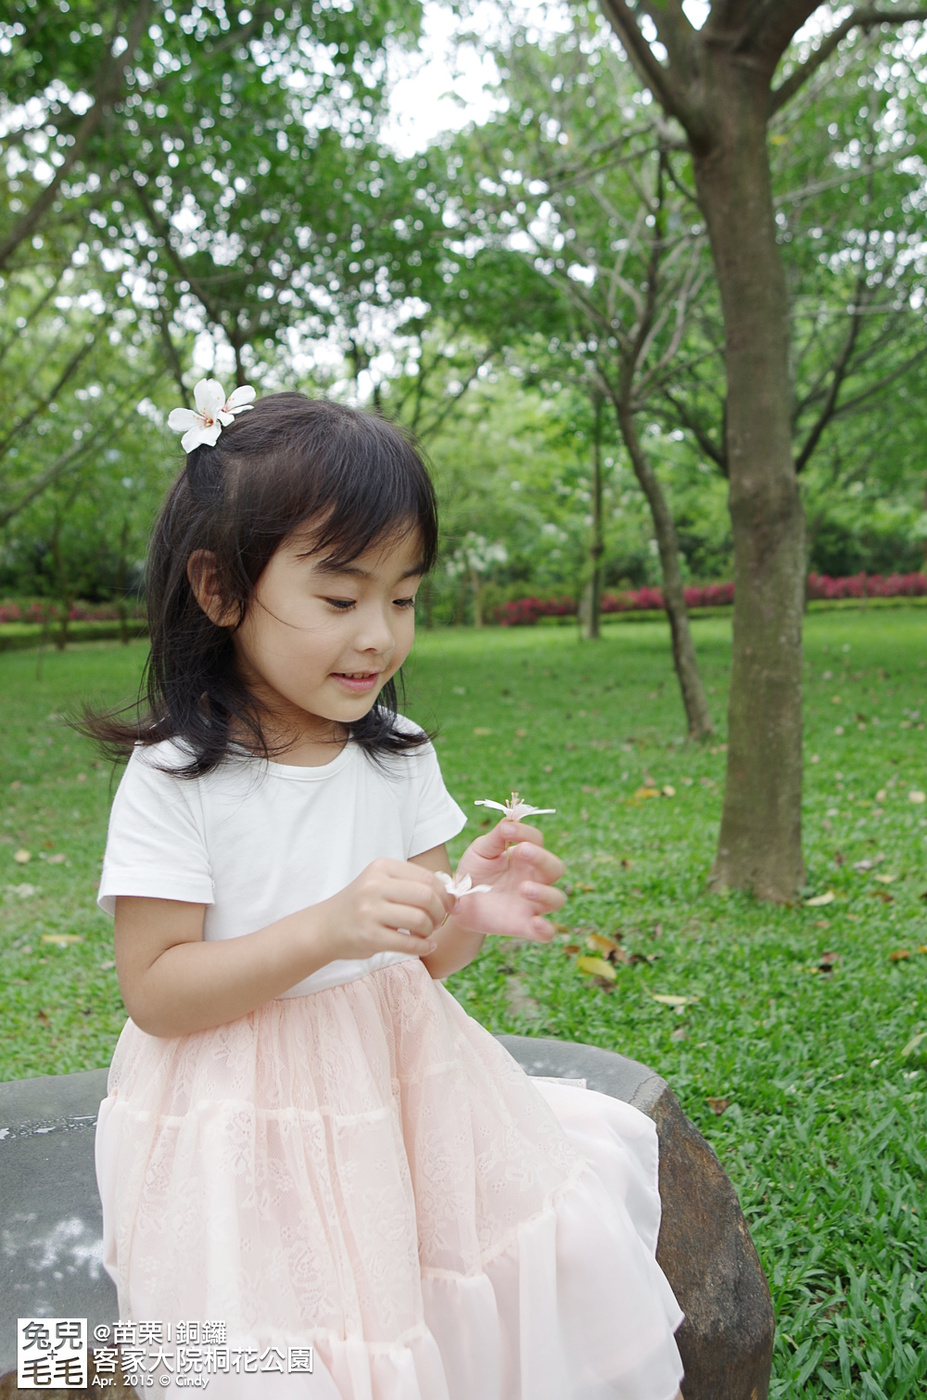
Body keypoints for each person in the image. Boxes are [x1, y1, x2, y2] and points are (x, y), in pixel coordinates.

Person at [89, 383, 684, 1399]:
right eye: (339, 597)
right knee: (294, 1341)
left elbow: (423, 945)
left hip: (402, 1083)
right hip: (240, 1115)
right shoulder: (179, 775)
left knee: (432, 1289)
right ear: (219, 587)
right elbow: (156, 988)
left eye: (402, 597)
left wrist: (469, 908)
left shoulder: (397, 754)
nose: (379, 634)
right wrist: (320, 928)